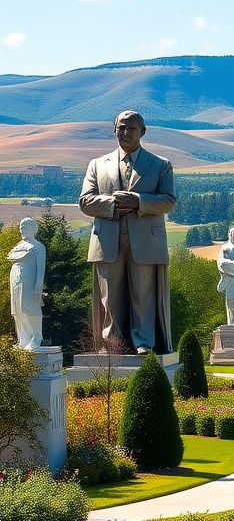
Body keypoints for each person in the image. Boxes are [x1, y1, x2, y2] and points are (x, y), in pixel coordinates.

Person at [79, 110, 175, 354]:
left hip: (145, 242)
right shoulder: (97, 164)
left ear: (142, 132)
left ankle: (143, 342)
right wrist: (112, 204)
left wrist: (138, 202)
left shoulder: (160, 165)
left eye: (131, 128)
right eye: (121, 127)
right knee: (109, 297)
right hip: (107, 240)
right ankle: (113, 344)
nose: (125, 132)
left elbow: (168, 201)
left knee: (143, 295)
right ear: (114, 130)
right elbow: (85, 201)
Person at [7, 217, 45, 350]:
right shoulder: (18, 246)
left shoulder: (38, 246)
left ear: (33, 228)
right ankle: (23, 338)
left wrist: (38, 288)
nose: (22, 229)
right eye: (21, 227)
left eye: (25, 227)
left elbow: (41, 270)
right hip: (16, 282)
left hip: (29, 282)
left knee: (29, 308)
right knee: (17, 310)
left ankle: (36, 337)